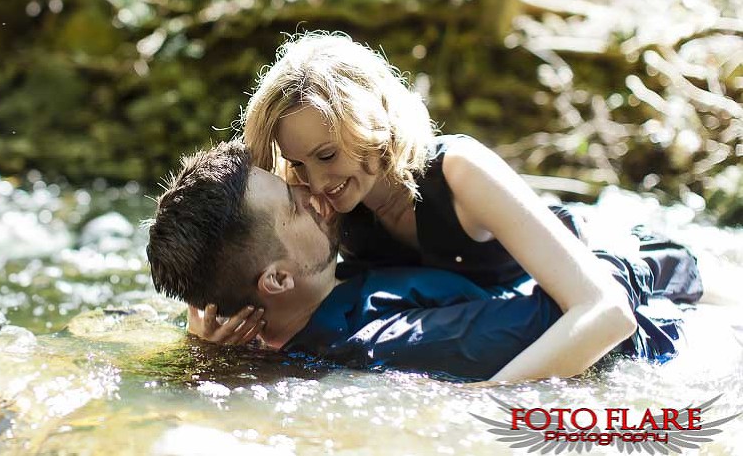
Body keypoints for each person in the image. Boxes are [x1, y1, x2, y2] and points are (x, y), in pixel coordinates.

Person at [189, 31, 693, 381]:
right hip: (504, 304)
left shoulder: (459, 170)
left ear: (371, 125)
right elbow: (252, 261)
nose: (316, 184)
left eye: (327, 154)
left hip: (633, 261)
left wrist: (489, 400)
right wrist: (206, 335)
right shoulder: (325, 203)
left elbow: (607, 312)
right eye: (299, 165)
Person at [148, 141, 703, 382]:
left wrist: (202, 348)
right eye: (295, 205)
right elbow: (569, 320)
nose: (316, 193)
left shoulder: (321, 288)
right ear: (275, 278)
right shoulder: (382, 338)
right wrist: (589, 241)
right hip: (652, 294)